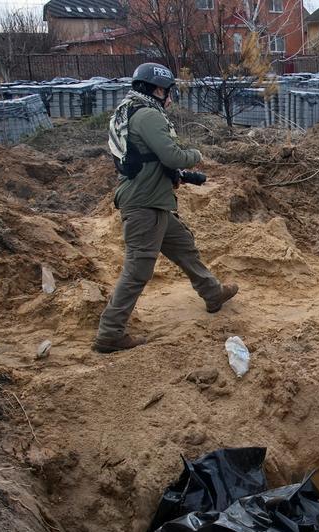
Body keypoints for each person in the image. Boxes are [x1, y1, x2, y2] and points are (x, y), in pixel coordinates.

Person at [94, 63, 238, 353]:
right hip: (144, 206)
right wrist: (194, 155)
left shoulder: (132, 112)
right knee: (137, 270)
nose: (170, 98)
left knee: (184, 245)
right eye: (167, 91)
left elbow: (147, 160)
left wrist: (183, 177)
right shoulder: (147, 115)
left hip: (153, 202)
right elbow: (171, 155)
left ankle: (212, 293)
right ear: (155, 89)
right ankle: (110, 334)